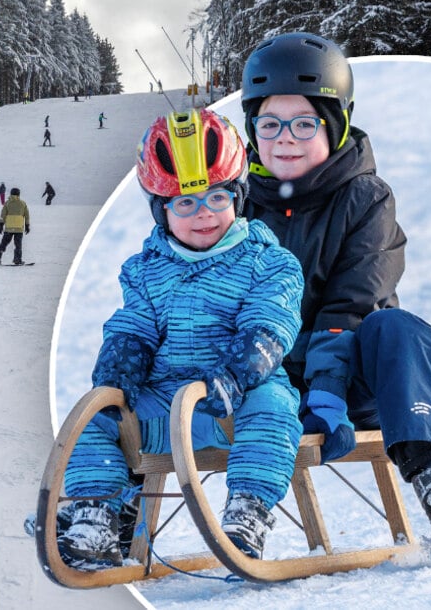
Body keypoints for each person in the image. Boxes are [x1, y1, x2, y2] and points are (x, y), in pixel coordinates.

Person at [238, 31, 431, 557]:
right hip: (262, 378)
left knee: (397, 326)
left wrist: (328, 386)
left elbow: (356, 298)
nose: (284, 138)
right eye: (269, 124)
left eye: (303, 123)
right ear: (252, 129)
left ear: (335, 125)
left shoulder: (366, 197)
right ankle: (109, 508)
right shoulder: (237, 204)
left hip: (351, 384)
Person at [56, 109, 304, 569]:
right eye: (184, 204)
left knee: (274, 407)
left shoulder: (270, 262)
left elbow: (270, 322)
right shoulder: (145, 269)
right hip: (165, 407)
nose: (203, 214)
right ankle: (97, 513)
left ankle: (248, 511)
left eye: (216, 197)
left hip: (237, 401)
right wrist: (117, 374)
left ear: (239, 196)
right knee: (96, 415)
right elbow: (135, 326)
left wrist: (236, 373)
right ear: (161, 209)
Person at [0, 187, 30, 265]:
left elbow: (3, 215)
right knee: (18, 246)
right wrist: (27, 225)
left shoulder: (7, 203)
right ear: (19, 194)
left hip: (9, 229)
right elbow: (27, 216)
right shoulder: (23, 203)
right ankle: (17, 259)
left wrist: (1, 225)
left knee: (3, 244)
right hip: (19, 229)